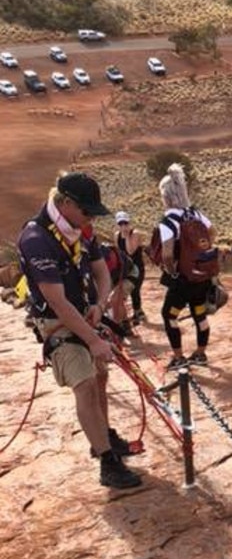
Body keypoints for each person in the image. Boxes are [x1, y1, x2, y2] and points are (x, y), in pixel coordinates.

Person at [17, 171, 142, 491]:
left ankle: (103, 436)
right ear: (66, 203)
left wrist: (99, 305)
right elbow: (57, 302)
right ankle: (108, 464)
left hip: (87, 315)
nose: (89, 219)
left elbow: (101, 271)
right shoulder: (37, 239)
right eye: (86, 211)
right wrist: (91, 339)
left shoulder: (79, 230)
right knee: (85, 383)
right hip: (59, 323)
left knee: (101, 376)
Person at [156, 163, 215, 370]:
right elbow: (212, 231)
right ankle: (200, 353)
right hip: (201, 276)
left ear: (167, 196)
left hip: (182, 279)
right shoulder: (196, 214)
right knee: (200, 313)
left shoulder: (168, 221)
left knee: (169, 315)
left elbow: (167, 252)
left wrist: (171, 270)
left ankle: (179, 357)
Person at [114, 211, 146, 325]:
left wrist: (127, 236)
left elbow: (130, 251)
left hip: (137, 267)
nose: (123, 226)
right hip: (126, 268)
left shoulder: (135, 233)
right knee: (123, 291)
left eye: (125, 223)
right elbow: (119, 253)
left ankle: (138, 312)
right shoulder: (117, 235)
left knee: (135, 289)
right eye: (120, 224)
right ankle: (133, 313)